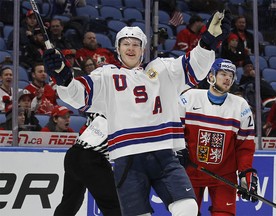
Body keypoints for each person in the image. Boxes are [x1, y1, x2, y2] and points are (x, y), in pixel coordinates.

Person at [43, 10, 231, 215]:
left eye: (135, 44)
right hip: (127, 159)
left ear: (142, 50)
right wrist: (63, 77)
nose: (130, 48)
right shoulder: (106, 76)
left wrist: (207, 42)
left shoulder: (163, 69)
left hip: (163, 155)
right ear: (117, 48)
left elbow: (194, 65)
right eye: (126, 44)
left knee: (187, 208)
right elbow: (78, 95)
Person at [178, 58, 258, 215]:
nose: (227, 78)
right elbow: (174, 130)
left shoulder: (240, 106)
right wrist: (179, 149)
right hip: (191, 172)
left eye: (231, 75)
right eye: (223, 74)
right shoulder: (189, 97)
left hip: (224, 176)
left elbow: (245, 147)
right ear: (211, 76)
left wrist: (245, 172)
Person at [54, 113, 121, 216]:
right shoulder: (123, 115)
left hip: (73, 154)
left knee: (70, 203)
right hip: (91, 159)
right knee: (113, 204)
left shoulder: (100, 109)